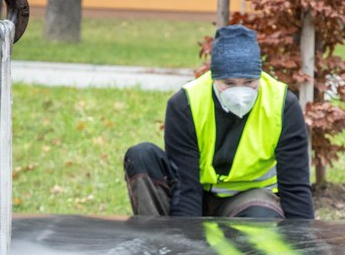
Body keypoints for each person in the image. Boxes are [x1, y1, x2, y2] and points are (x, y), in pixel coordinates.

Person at [123, 24, 314, 219]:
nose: (240, 92)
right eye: (229, 83)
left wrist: (304, 243)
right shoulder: (185, 104)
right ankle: (158, 242)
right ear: (214, 77)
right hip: (197, 193)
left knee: (260, 222)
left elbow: (295, 187)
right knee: (141, 155)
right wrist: (186, 244)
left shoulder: (282, 105)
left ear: (259, 76)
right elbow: (186, 186)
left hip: (249, 198)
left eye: (249, 82)